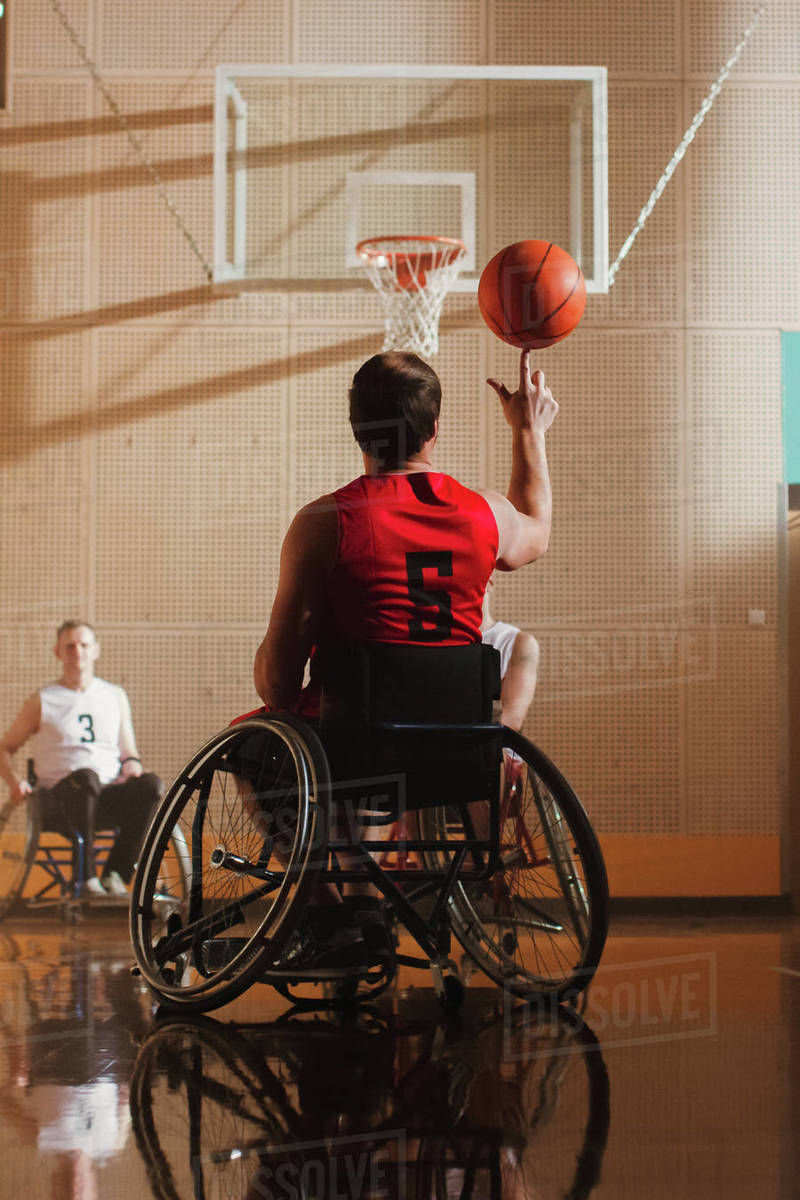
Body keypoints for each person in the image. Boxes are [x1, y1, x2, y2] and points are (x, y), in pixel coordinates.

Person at [245, 348, 558, 964]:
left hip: (356, 750)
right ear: (434, 430)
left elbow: (278, 682)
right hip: (460, 748)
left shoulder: (323, 522)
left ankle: (334, 915)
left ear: (357, 429)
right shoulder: (485, 512)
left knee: (261, 748)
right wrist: (528, 432)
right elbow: (536, 526)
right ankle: (372, 901)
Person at [0, 621, 162, 897]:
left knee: (152, 784)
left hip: (106, 797)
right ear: (57, 652)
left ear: (96, 650)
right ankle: (86, 879)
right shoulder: (43, 700)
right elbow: (5, 747)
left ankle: (116, 872)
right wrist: (15, 783)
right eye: (70, 646)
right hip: (59, 802)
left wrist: (132, 766)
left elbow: (129, 753)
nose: (78, 652)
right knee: (86, 777)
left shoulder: (114, 696)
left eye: (84, 645)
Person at [481, 574, 540, 731]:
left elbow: (512, 721)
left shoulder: (517, 643)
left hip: (492, 749)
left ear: (489, 584)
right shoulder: (439, 639)